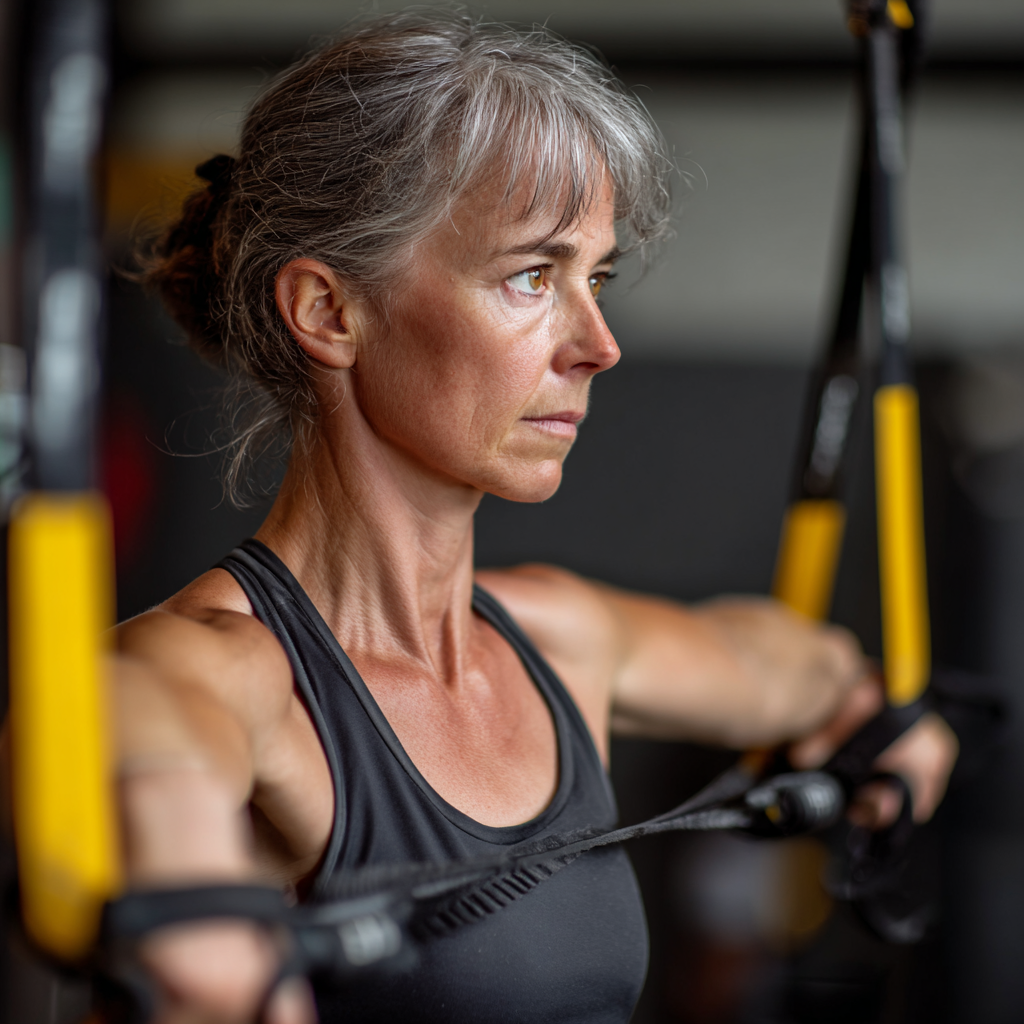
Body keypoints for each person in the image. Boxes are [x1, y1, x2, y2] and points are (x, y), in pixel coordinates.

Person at [114, 12, 958, 1023]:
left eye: (593, 278)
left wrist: (882, 716)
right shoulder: (223, 671)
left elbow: (780, 664)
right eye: (529, 275)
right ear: (330, 313)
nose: (597, 343)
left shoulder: (562, 639)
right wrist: (188, 911)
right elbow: (138, 730)